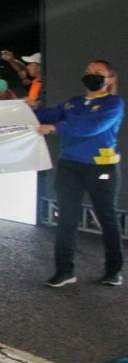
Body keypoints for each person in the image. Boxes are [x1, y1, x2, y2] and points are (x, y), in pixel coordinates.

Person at [34, 60, 124, 288]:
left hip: (101, 168)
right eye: (89, 72)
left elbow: (92, 128)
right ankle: (64, 271)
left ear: (110, 79)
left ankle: (113, 271)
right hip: (69, 167)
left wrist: (56, 128)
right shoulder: (73, 103)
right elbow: (48, 114)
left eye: (98, 73)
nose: (92, 75)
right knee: (66, 219)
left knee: (107, 218)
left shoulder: (114, 104)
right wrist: (27, 108)